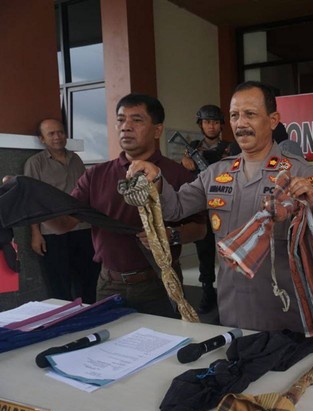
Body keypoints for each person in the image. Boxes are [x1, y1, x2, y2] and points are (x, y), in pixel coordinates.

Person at [127, 81, 313, 333]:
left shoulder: (300, 172)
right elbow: (176, 208)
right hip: (231, 309)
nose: (241, 123)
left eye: (250, 114)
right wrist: (157, 178)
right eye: (235, 115)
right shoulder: (217, 173)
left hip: (282, 310)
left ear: (273, 120)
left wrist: (311, 208)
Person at [42, 94, 207, 317]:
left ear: (157, 130)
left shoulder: (176, 174)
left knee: (163, 346)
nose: (126, 127)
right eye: (121, 120)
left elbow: (200, 229)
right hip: (109, 284)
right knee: (107, 346)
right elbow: (64, 223)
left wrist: (168, 235)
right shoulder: (96, 175)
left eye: (136, 120)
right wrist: (34, 204)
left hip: (159, 282)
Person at [23, 118, 100, 303]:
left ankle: (90, 317)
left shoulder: (76, 159)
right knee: (59, 286)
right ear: (42, 139)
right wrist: (36, 234)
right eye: (51, 133)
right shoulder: (35, 163)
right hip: (52, 233)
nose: (57, 137)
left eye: (60, 132)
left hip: (82, 229)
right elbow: (30, 200)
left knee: (89, 281)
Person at [181, 104, 239, 314]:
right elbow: (189, 180)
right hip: (203, 210)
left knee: (230, 253)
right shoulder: (193, 148)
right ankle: (207, 290)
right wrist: (185, 162)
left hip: (226, 208)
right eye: (207, 122)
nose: (211, 126)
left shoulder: (230, 147)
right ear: (201, 124)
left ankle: (232, 292)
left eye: (215, 122)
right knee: (204, 255)